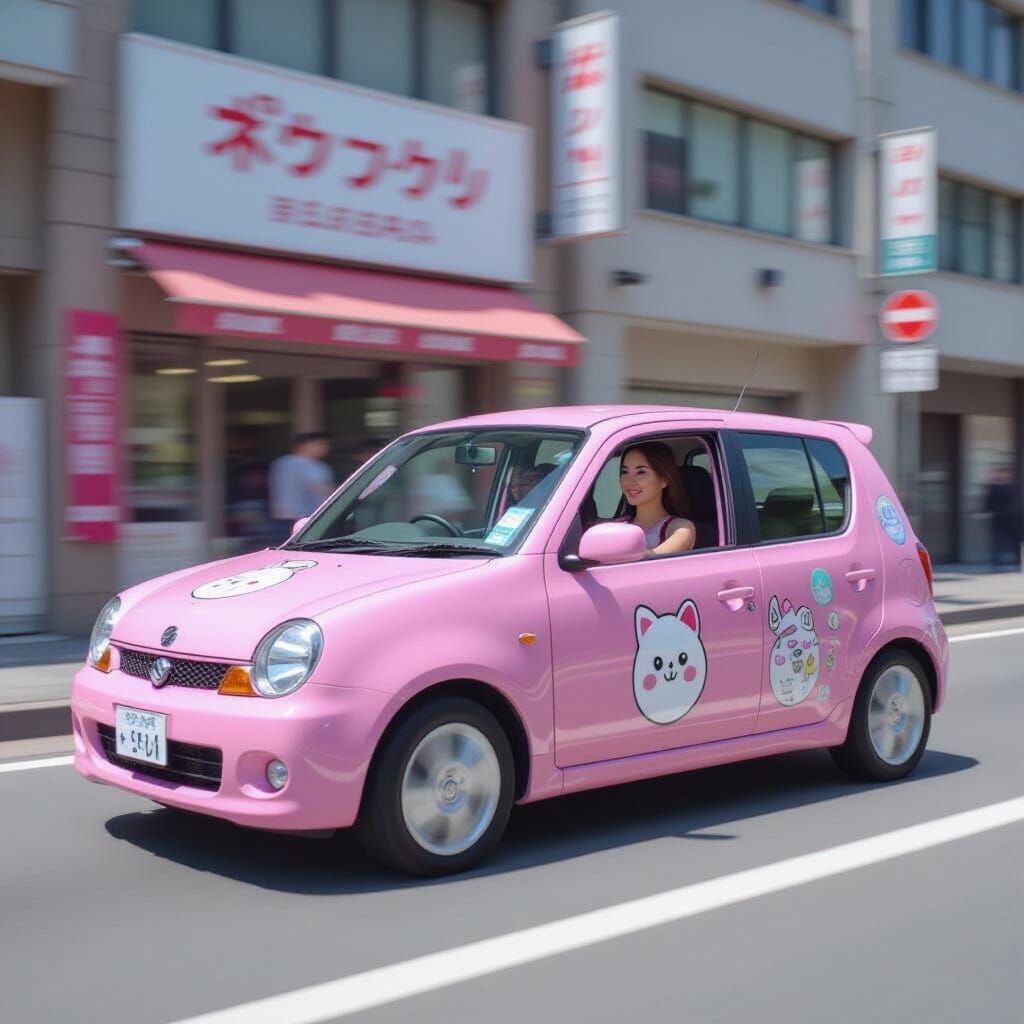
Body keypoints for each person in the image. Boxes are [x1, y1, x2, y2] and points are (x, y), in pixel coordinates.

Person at [619, 441, 696, 556]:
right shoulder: (616, 526)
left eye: (641, 472)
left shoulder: (681, 528)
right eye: (625, 472)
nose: (629, 481)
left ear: (664, 479)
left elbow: (651, 560)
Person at [268, 432, 334, 545]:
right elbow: (319, 487)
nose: (324, 447)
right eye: (320, 444)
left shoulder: (282, 463)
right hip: (299, 518)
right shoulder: (299, 464)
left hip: (293, 516)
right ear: (303, 445)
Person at [984, 462, 1023, 571]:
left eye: (1003, 473)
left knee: (1014, 542)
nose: (1001, 475)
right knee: (997, 541)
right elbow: (988, 501)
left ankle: (1017, 563)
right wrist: (988, 511)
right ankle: (996, 563)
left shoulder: (1014, 486)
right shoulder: (993, 487)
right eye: (999, 473)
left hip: (1013, 519)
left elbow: (1018, 502)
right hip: (998, 519)